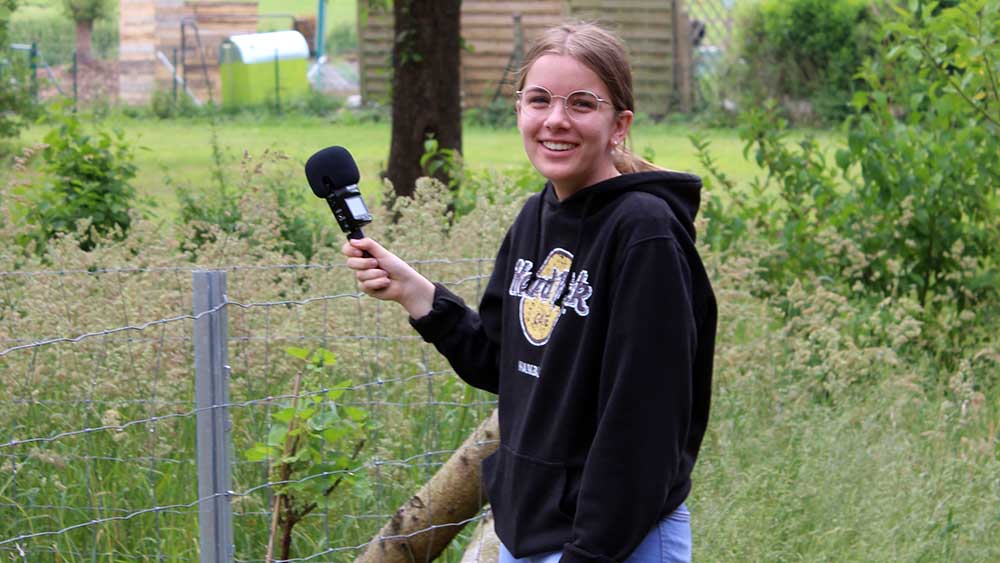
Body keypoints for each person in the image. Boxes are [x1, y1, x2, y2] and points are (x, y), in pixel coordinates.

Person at [343, 22, 716, 563]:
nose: (555, 120)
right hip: (529, 531)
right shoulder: (535, 218)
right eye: (538, 100)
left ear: (619, 124)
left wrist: (589, 552)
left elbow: (645, 424)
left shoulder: (644, 232)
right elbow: (502, 364)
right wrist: (417, 293)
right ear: (519, 109)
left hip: (612, 543)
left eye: (582, 104)